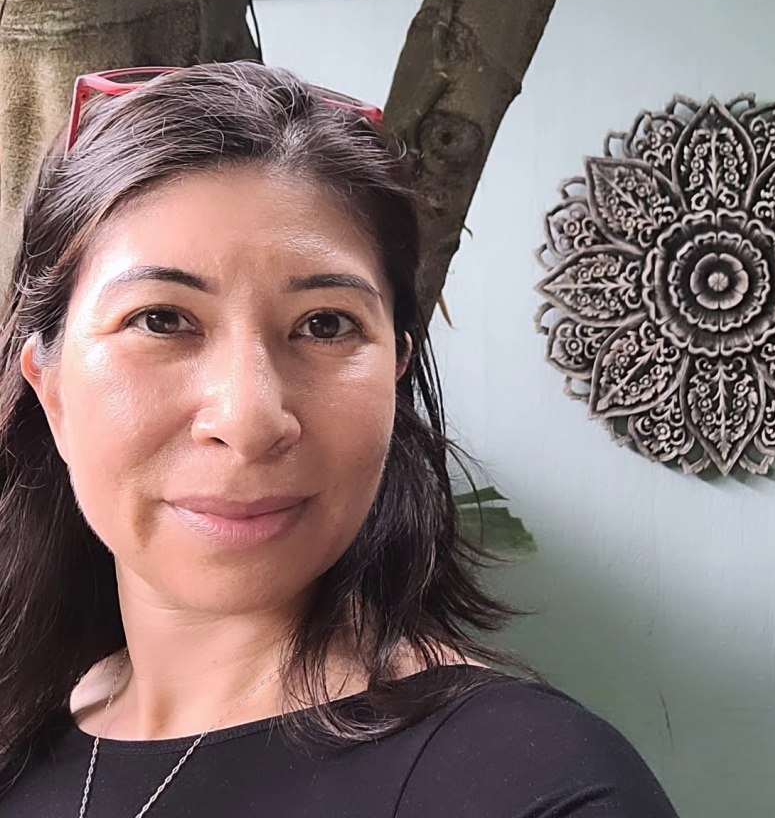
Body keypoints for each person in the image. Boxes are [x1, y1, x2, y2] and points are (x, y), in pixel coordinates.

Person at [0, 62, 678, 817]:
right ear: (49, 384)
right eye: (161, 319)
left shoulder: (533, 787)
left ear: (395, 371)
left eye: (325, 325)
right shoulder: (20, 737)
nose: (249, 418)